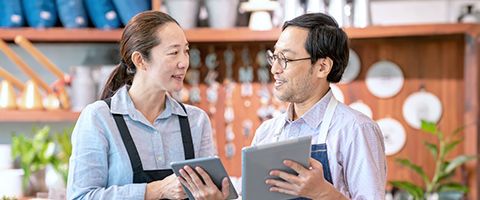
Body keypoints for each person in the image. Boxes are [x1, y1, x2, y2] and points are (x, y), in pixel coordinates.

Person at [67, 11, 222, 200]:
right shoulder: (98, 118)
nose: (184, 62)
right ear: (140, 60)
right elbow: (81, 197)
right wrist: (156, 190)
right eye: (174, 52)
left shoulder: (196, 121)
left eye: (186, 51)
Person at [252, 13, 387, 199]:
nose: (275, 69)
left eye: (286, 59)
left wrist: (324, 193)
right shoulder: (266, 132)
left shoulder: (356, 129)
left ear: (322, 67)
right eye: (274, 57)